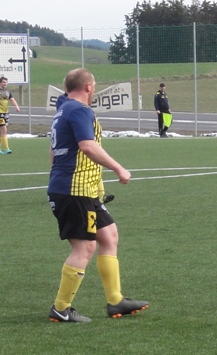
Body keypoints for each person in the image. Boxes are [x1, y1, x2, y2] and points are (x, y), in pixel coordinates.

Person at [48, 68, 148, 323]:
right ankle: (61, 308)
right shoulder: (79, 110)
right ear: (89, 87)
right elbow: (87, 146)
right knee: (84, 247)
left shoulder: (63, 111)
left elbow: (53, 152)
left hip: (80, 189)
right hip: (75, 190)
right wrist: (118, 168)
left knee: (109, 235)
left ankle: (115, 301)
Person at [0, 76, 21, 154]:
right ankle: (6, 148)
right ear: (0, 83)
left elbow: (12, 99)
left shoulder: (7, 91)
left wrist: (16, 106)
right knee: (4, 129)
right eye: (3, 82)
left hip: (6, 112)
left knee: (1, 131)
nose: (5, 84)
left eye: (6, 82)